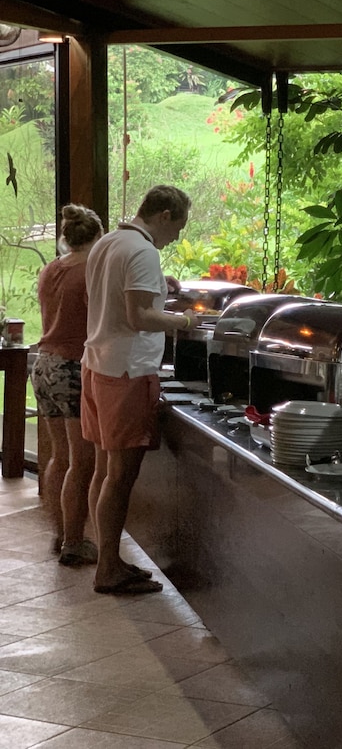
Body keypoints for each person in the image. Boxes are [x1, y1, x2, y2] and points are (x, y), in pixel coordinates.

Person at [81, 184, 198, 594]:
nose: (177, 237)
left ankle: (108, 558)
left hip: (97, 364)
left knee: (103, 471)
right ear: (164, 216)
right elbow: (139, 317)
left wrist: (160, 285)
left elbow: (113, 295)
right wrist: (185, 321)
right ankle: (108, 570)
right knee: (120, 477)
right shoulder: (144, 251)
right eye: (178, 227)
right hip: (128, 373)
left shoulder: (108, 242)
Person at [30, 203, 104, 565]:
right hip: (73, 367)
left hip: (44, 364)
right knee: (82, 461)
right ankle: (75, 542)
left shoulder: (51, 269)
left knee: (59, 456)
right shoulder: (91, 271)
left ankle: (60, 533)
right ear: (98, 237)